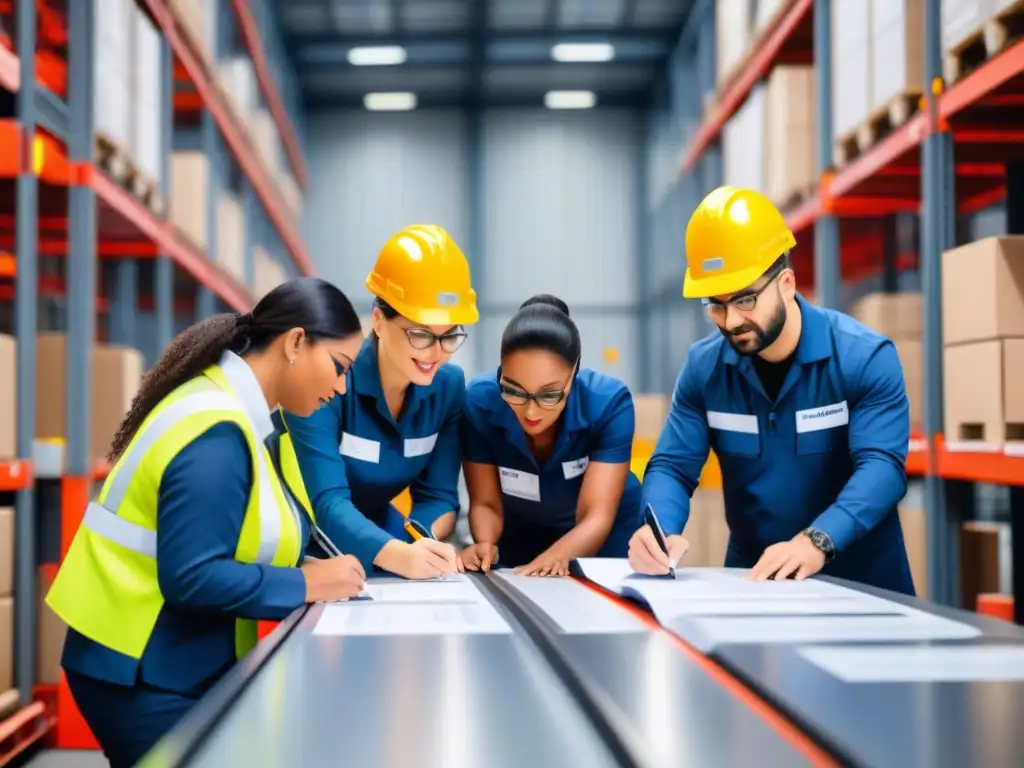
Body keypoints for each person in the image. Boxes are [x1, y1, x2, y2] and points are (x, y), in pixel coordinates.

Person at [44, 278, 369, 767]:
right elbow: (191, 576)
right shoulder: (216, 429)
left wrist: (308, 567)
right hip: (140, 668)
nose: (341, 387)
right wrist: (304, 582)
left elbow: (238, 533)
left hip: (169, 657)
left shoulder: (244, 415)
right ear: (296, 343)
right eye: (339, 368)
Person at [628, 186, 915, 595]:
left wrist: (818, 541)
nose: (730, 320)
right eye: (715, 304)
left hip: (861, 583)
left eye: (745, 299)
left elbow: (883, 469)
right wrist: (656, 529)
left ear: (785, 282)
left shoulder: (863, 358)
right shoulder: (705, 369)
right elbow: (673, 467)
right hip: (757, 584)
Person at [284, 225, 476, 579]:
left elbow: (439, 496)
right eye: (420, 334)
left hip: (386, 541)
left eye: (449, 336)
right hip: (307, 548)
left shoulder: (447, 388)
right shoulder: (329, 380)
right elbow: (326, 503)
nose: (435, 353)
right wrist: (397, 555)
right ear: (378, 320)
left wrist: (421, 542)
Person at [461, 295, 642, 576]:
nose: (531, 411)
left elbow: (596, 517)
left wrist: (554, 559)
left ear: (574, 372)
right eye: (514, 391)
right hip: (521, 531)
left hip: (604, 535)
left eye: (549, 395)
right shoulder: (480, 402)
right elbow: (485, 503)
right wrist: (485, 543)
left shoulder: (608, 403)